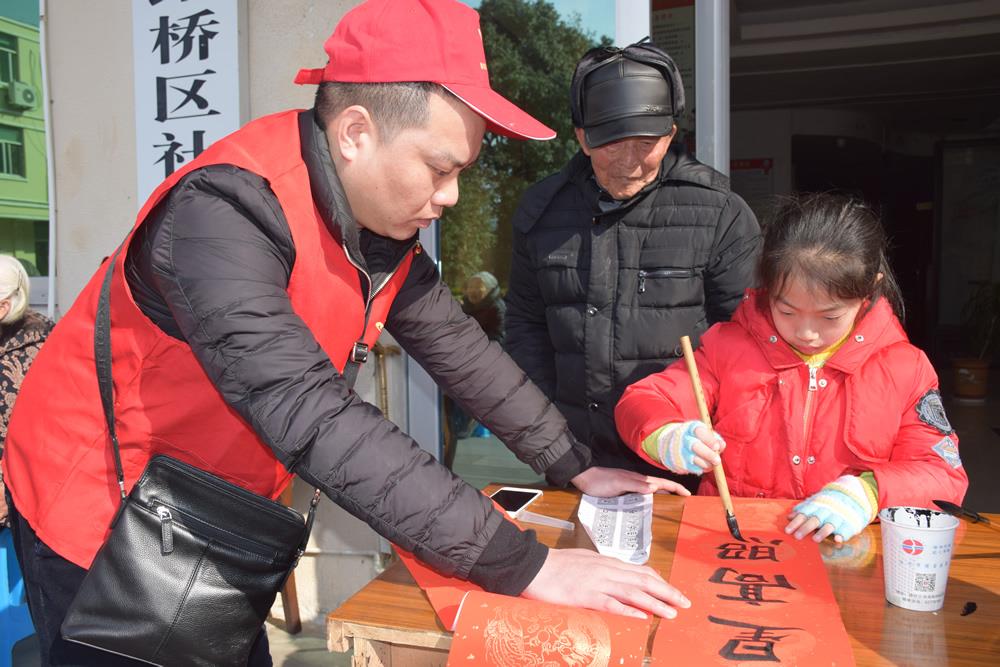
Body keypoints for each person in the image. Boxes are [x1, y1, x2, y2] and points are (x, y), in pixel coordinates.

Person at [2, 2, 692, 664]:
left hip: (210, 506)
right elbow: (309, 410)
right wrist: (522, 564)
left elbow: (466, 355)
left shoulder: (378, 229)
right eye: (439, 168)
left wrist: (577, 463)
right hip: (102, 505)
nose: (450, 196)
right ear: (357, 133)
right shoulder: (223, 215)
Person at [615, 193, 969, 544]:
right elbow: (644, 400)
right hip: (732, 545)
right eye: (787, 312)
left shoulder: (905, 368)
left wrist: (871, 492)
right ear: (767, 288)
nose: (807, 333)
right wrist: (667, 436)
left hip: (844, 557)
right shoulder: (729, 348)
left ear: (868, 291)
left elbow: (942, 473)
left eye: (830, 316)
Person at [504, 40, 760, 483]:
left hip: (686, 461)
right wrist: (552, 442)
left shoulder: (719, 214)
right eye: (610, 144)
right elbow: (526, 330)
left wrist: (695, 439)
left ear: (670, 135)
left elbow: (748, 344)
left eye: (645, 144)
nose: (629, 163)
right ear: (582, 138)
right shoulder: (542, 213)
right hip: (576, 460)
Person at [0, 255, 53, 527]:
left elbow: (48, 434)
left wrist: (5, 489)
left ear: (3, 306)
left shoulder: (44, 351)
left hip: (18, 507)